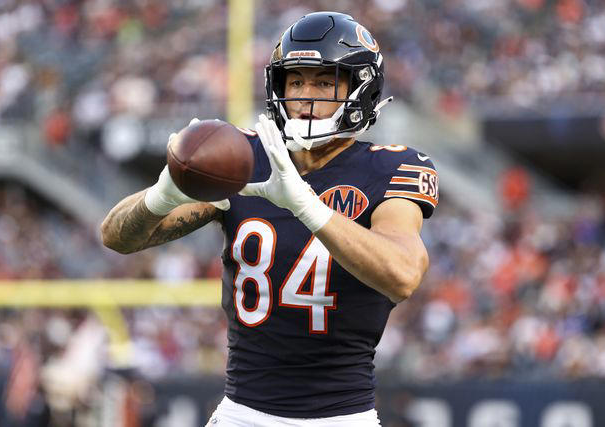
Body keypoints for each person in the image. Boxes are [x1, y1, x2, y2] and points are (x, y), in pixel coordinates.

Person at [101, 11, 438, 426]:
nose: (305, 96)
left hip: (342, 416)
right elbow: (116, 236)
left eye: (324, 82)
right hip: (242, 414)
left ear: (361, 87)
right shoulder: (242, 158)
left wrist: (307, 206)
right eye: (295, 82)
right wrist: (161, 195)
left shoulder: (389, 167)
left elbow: (403, 275)